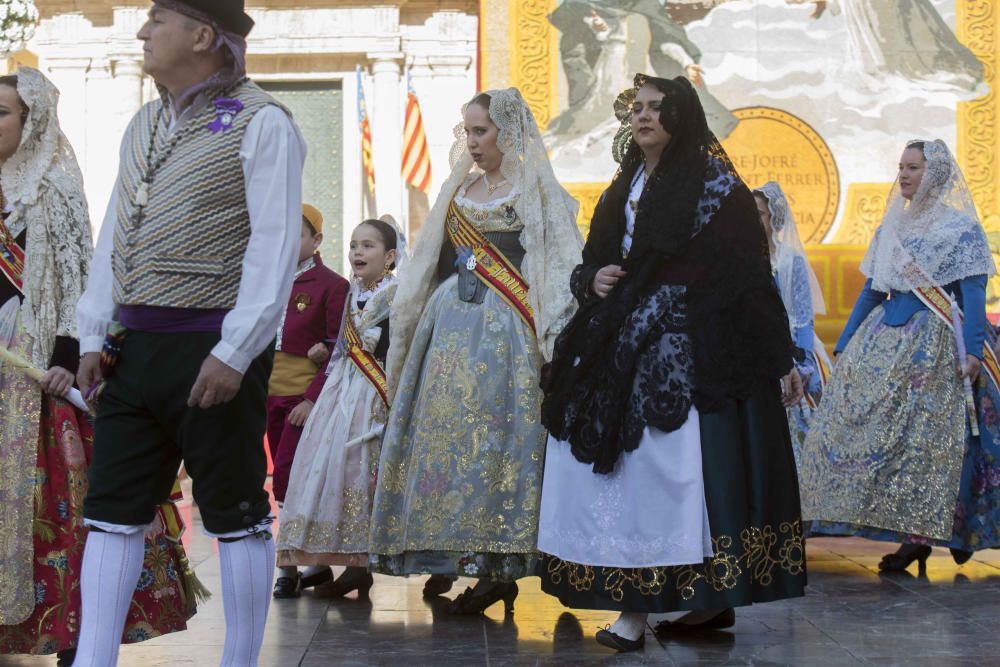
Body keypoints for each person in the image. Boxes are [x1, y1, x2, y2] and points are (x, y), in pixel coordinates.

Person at [536, 74, 807, 652]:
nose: (644, 116)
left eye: (658, 108)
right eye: (637, 108)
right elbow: (598, 255)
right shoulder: (626, 183)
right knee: (615, 467)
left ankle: (659, 608)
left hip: (690, 342)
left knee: (667, 471)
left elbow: (744, 271)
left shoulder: (714, 184)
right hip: (621, 331)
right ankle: (645, 601)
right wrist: (595, 277)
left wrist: (684, 308)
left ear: (682, 118)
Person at [73, 2, 306, 665]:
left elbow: (274, 246)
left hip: (214, 344)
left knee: (235, 513)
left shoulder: (264, 124)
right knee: (113, 508)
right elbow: (115, 230)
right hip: (134, 347)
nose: (142, 32)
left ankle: (239, 660)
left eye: (158, 21)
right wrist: (94, 333)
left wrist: (236, 350)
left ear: (204, 36)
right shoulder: (143, 123)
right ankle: (94, 660)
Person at [0, 67, 198, 667]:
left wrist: (66, 357)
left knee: (57, 504)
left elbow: (79, 274)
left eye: (3, 113)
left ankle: (70, 632)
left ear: (31, 121)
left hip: (37, 369)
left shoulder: (53, 187)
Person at [368, 88, 584, 614]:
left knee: (496, 448)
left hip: (507, 341)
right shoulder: (457, 190)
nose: (473, 141)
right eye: (467, 131)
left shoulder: (535, 191)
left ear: (507, 132)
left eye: (480, 130)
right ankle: (454, 556)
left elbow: (559, 268)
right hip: (447, 338)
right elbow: (430, 264)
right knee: (447, 448)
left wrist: (556, 339)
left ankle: (495, 567)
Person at [799, 139, 1000, 571]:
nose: (904, 175)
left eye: (914, 168)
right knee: (879, 441)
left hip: (937, 346)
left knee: (926, 446)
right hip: (881, 344)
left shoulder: (960, 230)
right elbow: (871, 293)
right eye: (901, 167)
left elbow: (972, 293)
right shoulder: (890, 228)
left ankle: (922, 535)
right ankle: (893, 526)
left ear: (937, 174)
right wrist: (846, 343)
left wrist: (975, 354)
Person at [277, 217, 405, 598]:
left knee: (362, 469)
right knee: (329, 468)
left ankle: (362, 561)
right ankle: (342, 561)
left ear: (391, 256)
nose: (357, 252)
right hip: (342, 391)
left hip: (375, 393)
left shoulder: (398, 294)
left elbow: (401, 349)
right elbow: (338, 352)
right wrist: (316, 397)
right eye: (353, 245)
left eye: (368, 246)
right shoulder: (350, 293)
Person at [269, 204, 350, 599]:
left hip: (302, 399)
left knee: (289, 476)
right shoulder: (266, 280)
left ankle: (287, 567)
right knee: (284, 481)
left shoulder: (332, 284)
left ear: (316, 240)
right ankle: (314, 564)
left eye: (297, 235)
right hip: (268, 394)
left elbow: (341, 348)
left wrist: (312, 399)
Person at [753, 181, 831, 454]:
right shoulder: (745, 261)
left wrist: (801, 363)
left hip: (791, 351)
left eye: (759, 214)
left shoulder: (790, 262)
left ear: (774, 218)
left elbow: (802, 320)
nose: (753, 220)